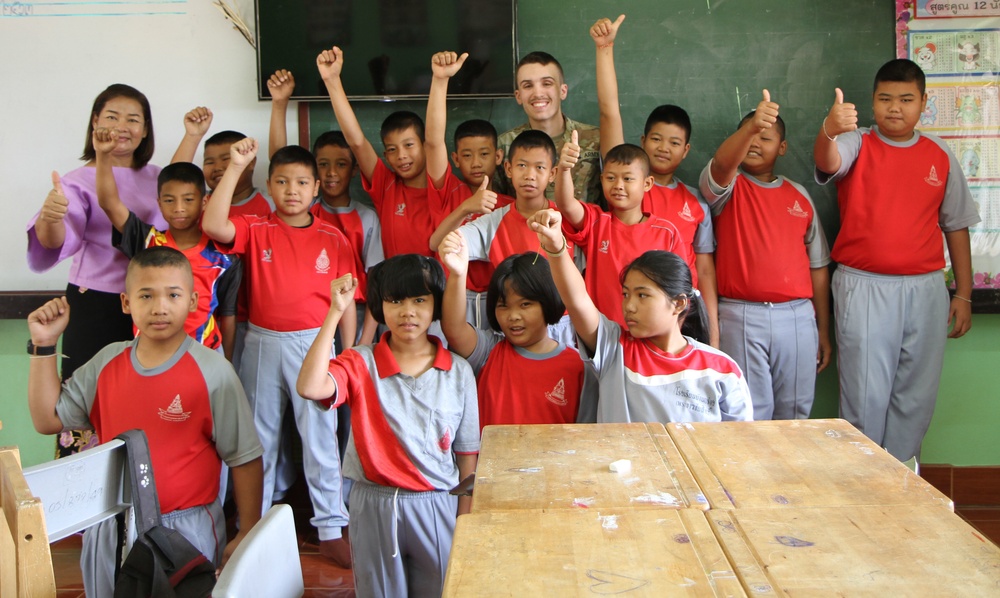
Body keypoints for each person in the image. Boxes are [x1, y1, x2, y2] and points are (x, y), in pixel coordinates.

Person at [26, 247, 264, 597]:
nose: (159, 307)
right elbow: (48, 419)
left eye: (173, 294)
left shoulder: (214, 372)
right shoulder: (107, 363)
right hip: (111, 525)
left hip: (186, 528)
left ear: (194, 300)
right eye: (146, 295)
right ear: (126, 302)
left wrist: (247, 531)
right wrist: (44, 344)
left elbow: (244, 457)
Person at [201, 137, 357, 567]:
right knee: (258, 437)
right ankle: (255, 526)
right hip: (261, 341)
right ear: (269, 186)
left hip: (315, 342)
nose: (292, 190)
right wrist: (234, 167)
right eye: (283, 181)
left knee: (320, 436)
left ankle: (329, 527)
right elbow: (214, 226)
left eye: (302, 182)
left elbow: (346, 298)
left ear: (316, 188)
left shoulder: (333, 235)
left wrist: (348, 350)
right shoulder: (256, 227)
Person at [814, 58, 980, 461]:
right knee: (864, 397)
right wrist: (828, 130)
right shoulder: (858, 142)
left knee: (916, 395)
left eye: (906, 99)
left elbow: (956, 225)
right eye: (885, 98)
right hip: (864, 285)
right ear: (872, 103)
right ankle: (861, 490)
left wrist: (964, 294)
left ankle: (906, 485)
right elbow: (828, 161)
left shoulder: (939, 154)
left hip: (925, 289)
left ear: (924, 103)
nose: (895, 107)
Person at [297, 257, 479, 598]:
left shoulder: (458, 371)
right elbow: (310, 386)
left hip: (437, 503)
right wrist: (335, 312)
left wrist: (464, 523)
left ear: (436, 305)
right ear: (379, 306)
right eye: (395, 300)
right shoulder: (360, 361)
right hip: (373, 503)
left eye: (419, 300)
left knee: (443, 591)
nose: (407, 311)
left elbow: (467, 456)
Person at [27, 83, 166, 457]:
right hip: (97, 307)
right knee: (88, 402)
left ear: (146, 129)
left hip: (154, 304)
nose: (122, 126)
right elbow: (58, 239)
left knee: (150, 397)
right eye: (112, 117)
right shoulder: (75, 181)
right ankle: (85, 496)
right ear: (94, 122)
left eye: (133, 119)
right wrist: (49, 218)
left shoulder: (159, 177)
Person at [529, 208, 752, 424]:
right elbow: (577, 299)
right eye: (626, 294)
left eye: (643, 295)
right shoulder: (613, 350)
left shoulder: (722, 369)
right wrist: (556, 247)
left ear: (679, 303)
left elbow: (736, 445)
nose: (629, 306)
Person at [699, 91, 832, 422]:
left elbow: (818, 268)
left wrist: (823, 329)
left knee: (797, 411)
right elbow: (721, 166)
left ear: (783, 148)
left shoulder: (799, 196)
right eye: (750, 136)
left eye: (766, 137)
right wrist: (750, 127)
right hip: (742, 316)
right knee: (749, 412)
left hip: (798, 318)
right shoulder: (727, 187)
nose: (756, 143)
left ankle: (788, 476)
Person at [590, 14, 720, 346]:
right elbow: (609, 112)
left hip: (681, 322)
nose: (664, 148)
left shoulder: (695, 202)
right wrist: (605, 50)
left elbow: (704, 274)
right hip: (627, 321)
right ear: (642, 141)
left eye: (674, 143)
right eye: (656, 139)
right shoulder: (628, 187)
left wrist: (713, 337)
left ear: (686, 150)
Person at [94, 128, 239, 358]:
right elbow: (109, 203)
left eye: (188, 200)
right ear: (159, 203)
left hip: (205, 354)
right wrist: (102, 156)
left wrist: (227, 363)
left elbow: (228, 314)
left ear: (204, 202)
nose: (179, 208)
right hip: (150, 354)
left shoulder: (223, 255)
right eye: (170, 200)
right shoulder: (147, 241)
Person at [267, 69, 383, 345]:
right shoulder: (304, 213)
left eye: (341, 164)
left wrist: (363, 342)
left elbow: (377, 283)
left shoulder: (367, 218)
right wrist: (279, 104)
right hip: (311, 315)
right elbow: (279, 163)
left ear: (354, 170)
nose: (331, 173)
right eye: (323, 164)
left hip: (356, 314)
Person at [439, 231, 597, 428]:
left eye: (525, 305)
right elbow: (454, 330)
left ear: (547, 303)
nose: (513, 316)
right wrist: (458, 274)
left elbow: (586, 434)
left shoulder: (578, 366)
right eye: (503, 306)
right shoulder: (488, 350)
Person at [447, 130, 575, 345]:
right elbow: (453, 242)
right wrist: (450, 242)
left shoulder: (567, 221)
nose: (529, 175)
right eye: (522, 166)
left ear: (552, 173)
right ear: (508, 168)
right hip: (512, 326)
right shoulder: (493, 222)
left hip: (560, 325)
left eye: (540, 167)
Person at [555, 135, 688, 335]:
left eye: (627, 178)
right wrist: (564, 169)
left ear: (647, 183)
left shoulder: (666, 233)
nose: (618, 185)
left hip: (650, 336)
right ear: (601, 180)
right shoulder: (597, 222)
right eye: (611, 178)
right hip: (600, 335)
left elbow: (680, 289)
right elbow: (566, 205)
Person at [318, 46, 439, 260]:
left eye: (409, 145)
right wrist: (332, 80)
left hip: (435, 291)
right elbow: (356, 141)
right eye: (392, 150)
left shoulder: (443, 186)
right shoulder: (387, 187)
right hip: (394, 290)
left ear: (424, 146)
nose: (401, 155)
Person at [424, 51, 515, 329]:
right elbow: (433, 142)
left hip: (496, 300)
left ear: (499, 157)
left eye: (484, 154)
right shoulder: (446, 189)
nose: (476, 163)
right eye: (467, 155)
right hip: (452, 296)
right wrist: (440, 81)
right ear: (455, 159)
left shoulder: (511, 203)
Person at [494, 51, 602, 205]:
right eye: (528, 86)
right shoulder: (504, 145)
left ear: (563, 91)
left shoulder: (595, 139)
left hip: (583, 228)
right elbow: (496, 206)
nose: (538, 93)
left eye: (547, 83)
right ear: (518, 96)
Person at [171, 108, 274, 218]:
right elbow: (173, 181)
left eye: (226, 159)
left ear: (251, 163)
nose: (217, 167)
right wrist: (192, 136)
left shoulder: (271, 204)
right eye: (209, 162)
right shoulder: (199, 203)